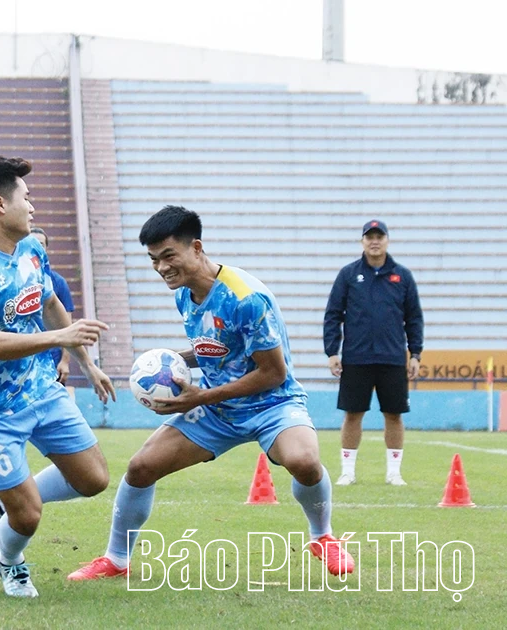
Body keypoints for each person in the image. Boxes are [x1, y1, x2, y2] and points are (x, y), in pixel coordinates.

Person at [68, 206, 355, 582]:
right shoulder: (185, 295)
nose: (161, 268)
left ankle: (323, 537)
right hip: (219, 410)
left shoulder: (246, 298)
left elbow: (272, 373)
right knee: (141, 468)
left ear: (197, 248)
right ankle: (116, 559)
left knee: (303, 460)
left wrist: (198, 397)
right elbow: (215, 348)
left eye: (169, 256)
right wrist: (167, 362)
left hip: (272, 404)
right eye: (154, 260)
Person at [0, 154, 116, 598]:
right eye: (27, 197)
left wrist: (86, 363)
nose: (33, 206)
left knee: (94, 479)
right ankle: (11, 560)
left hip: (41, 389)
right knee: (28, 517)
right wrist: (61, 335)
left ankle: (2, 498)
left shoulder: (31, 249)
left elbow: (49, 303)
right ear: (0, 205)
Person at [324, 220, 423, 486]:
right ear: (362, 242)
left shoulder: (402, 276)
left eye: (379, 236)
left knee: (393, 414)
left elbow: (414, 318)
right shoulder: (348, 275)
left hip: (392, 358)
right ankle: (348, 471)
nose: (374, 241)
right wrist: (332, 351)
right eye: (369, 237)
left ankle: (394, 472)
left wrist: (415, 353)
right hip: (356, 358)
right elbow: (333, 315)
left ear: (387, 240)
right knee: (353, 414)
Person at [29, 226, 75, 385]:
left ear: (46, 249)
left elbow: (68, 326)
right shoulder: (14, 278)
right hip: (24, 359)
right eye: (33, 242)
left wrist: (65, 361)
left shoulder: (58, 283)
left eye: (41, 244)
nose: (37, 247)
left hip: (52, 361)